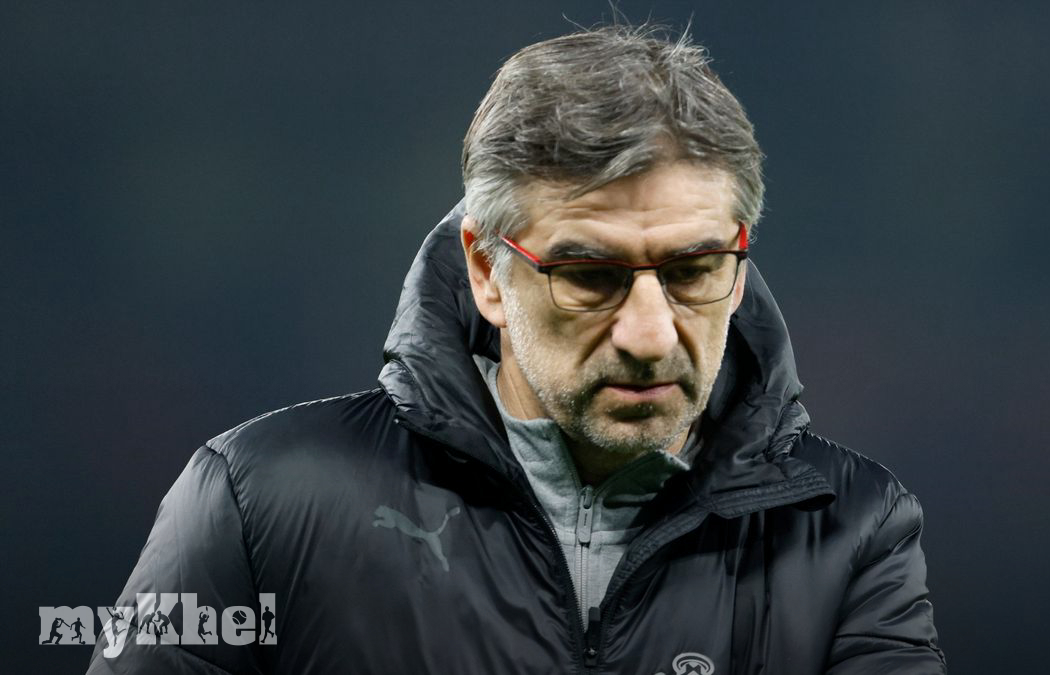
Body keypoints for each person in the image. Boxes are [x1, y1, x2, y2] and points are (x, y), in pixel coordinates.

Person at [88, 24, 944, 674]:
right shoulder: (255, 504)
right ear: (485, 271)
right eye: (589, 275)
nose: (651, 335)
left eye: (693, 270)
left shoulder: (854, 531)